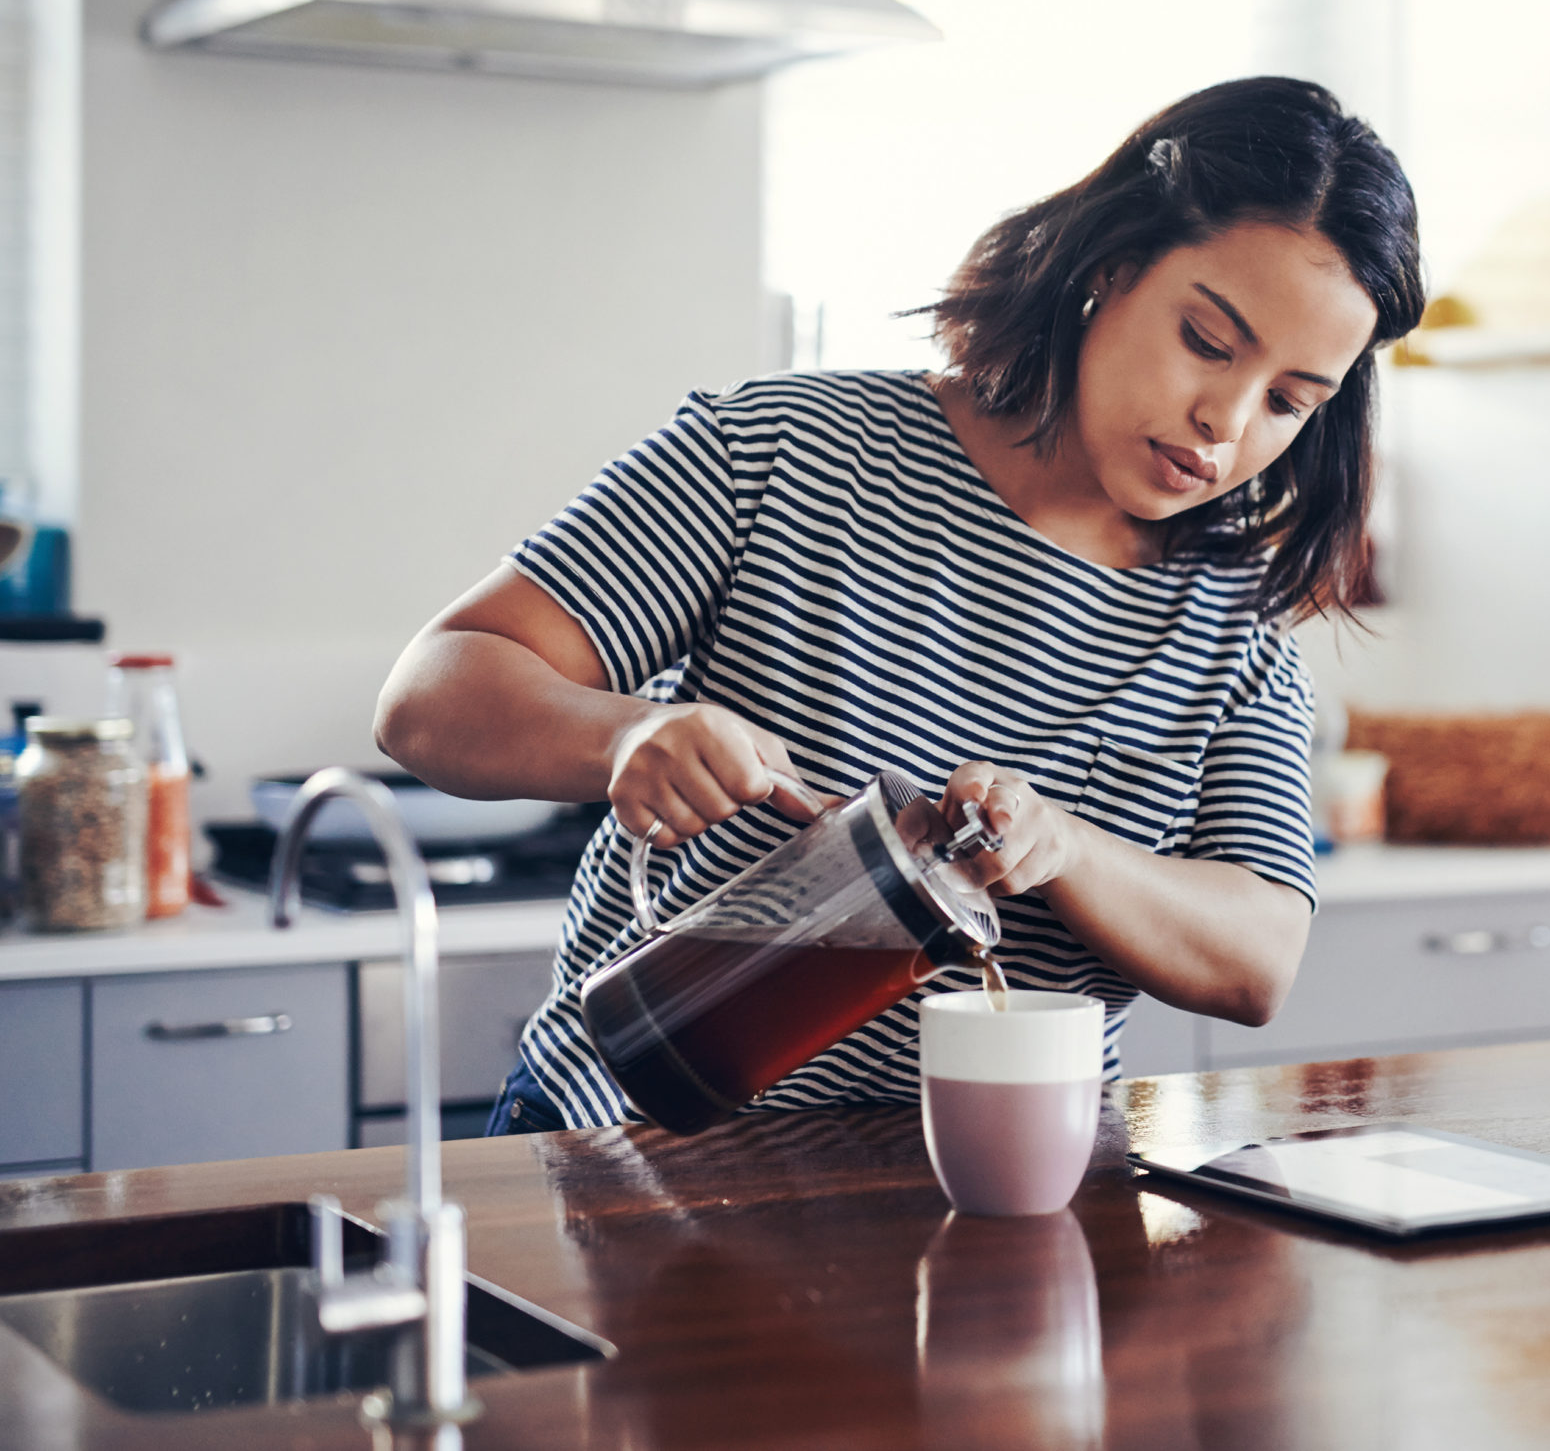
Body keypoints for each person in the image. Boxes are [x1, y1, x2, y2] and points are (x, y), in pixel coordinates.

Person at [373, 77, 1425, 1133]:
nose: (1224, 422)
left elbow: (1256, 958)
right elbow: (431, 692)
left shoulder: (1233, 623)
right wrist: (623, 735)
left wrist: (1066, 848)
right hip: (626, 1148)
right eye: (1206, 340)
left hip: (985, 1188)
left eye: (1290, 400)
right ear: (1111, 266)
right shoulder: (788, 453)